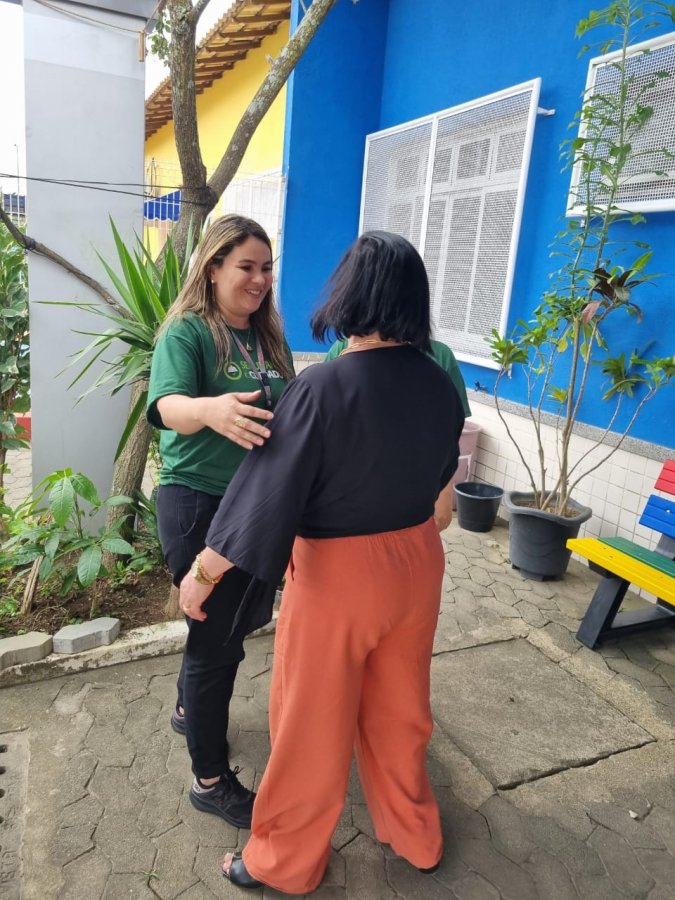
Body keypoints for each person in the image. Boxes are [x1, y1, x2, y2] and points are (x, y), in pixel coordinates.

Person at [178, 230, 466, 894]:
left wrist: (204, 574)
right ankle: (415, 835)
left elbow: (265, 495)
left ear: (350, 293)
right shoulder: (438, 381)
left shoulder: (322, 387)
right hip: (418, 564)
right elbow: (440, 472)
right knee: (401, 711)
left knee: (310, 722)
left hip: (340, 576)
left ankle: (284, 861)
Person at [146, 214, 295, 829]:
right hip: (199, 507)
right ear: (212, 268)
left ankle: (188, 709)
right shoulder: (188, 331)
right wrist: (208, 410)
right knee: (217, 646)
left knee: (221, 627)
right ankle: (209, 781)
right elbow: (166, 406)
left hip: (254, 506)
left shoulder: (268, 339)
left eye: (266, 268)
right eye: (245, 267)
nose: (259, 279)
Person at [325, 334, 470, 532]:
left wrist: (445, 493)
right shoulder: (342, 348)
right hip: (354, 490)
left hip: (416, 489)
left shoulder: (439, 355)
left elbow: (450, 431)